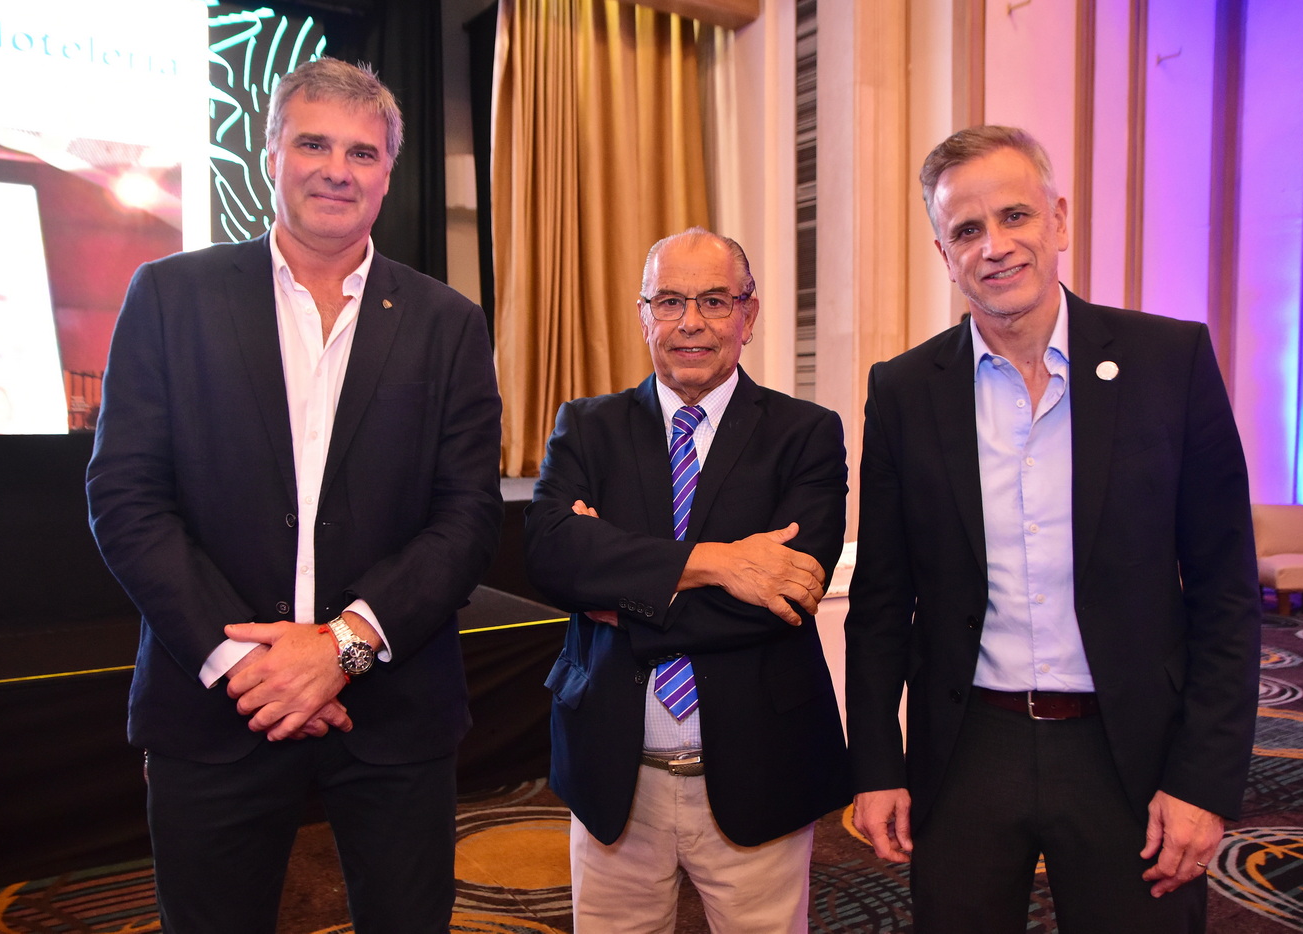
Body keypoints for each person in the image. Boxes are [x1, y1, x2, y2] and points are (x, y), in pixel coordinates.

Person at [86, 58, 502, 933]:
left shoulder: (448, 323)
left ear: (387, 173)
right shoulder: (169, 297)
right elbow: (126, 498)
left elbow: (466, 516)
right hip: (215, 702)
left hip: (393, 709)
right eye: (314, 144)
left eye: (362, 152)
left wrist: (343, 648)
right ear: (270, 153)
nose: (336, 170)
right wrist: (250, 666)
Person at [845, 125, 1260, 932]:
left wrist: (1203, 780)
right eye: (967, 229)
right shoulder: (904, 391)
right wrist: (875, 764)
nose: (994, 246)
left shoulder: (1169, 363)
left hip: (1130, 752)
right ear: (944, 252)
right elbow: (882, 603)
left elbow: (1226, 594)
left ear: (1059, 221)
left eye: (1015, 216)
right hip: (966, 750)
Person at [525, 227, 851, 933]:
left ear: (748, 315)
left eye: (714, 301)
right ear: (644, 315)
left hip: (759, 766)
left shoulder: (806, 434)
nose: (691, 322)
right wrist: (719, 564)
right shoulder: (587, 427)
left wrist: (621, 591)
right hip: (614, 771)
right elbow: (552, 558)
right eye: (669, 301)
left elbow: (785, 597)